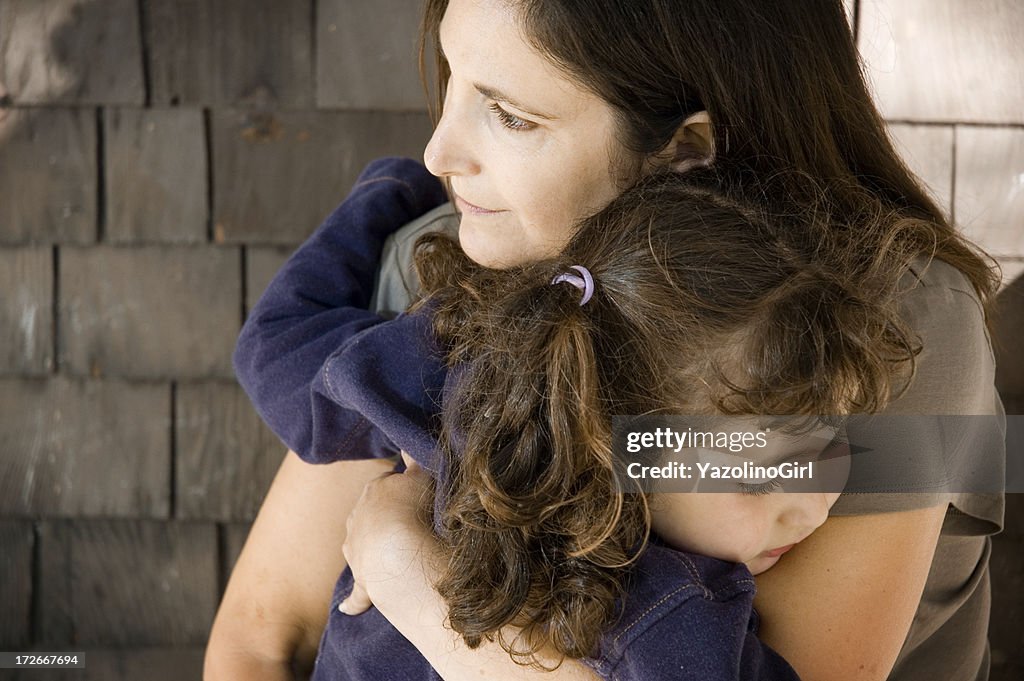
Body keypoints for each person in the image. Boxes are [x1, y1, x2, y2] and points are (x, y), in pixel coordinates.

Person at [204, 1, 1003, 680]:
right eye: (455, 82)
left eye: (510, 115)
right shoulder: (464, 254)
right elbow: (262, 633)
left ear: (683, 153)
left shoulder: (891, 328)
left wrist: (401, 557)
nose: (439, 154)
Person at [236, 156, 894, 679]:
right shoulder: (673, 617)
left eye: (833, 441)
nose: (813, 509)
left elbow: (272, 349)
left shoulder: (445, 380)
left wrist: (390, 190)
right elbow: (249, 636)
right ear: (614, 442)